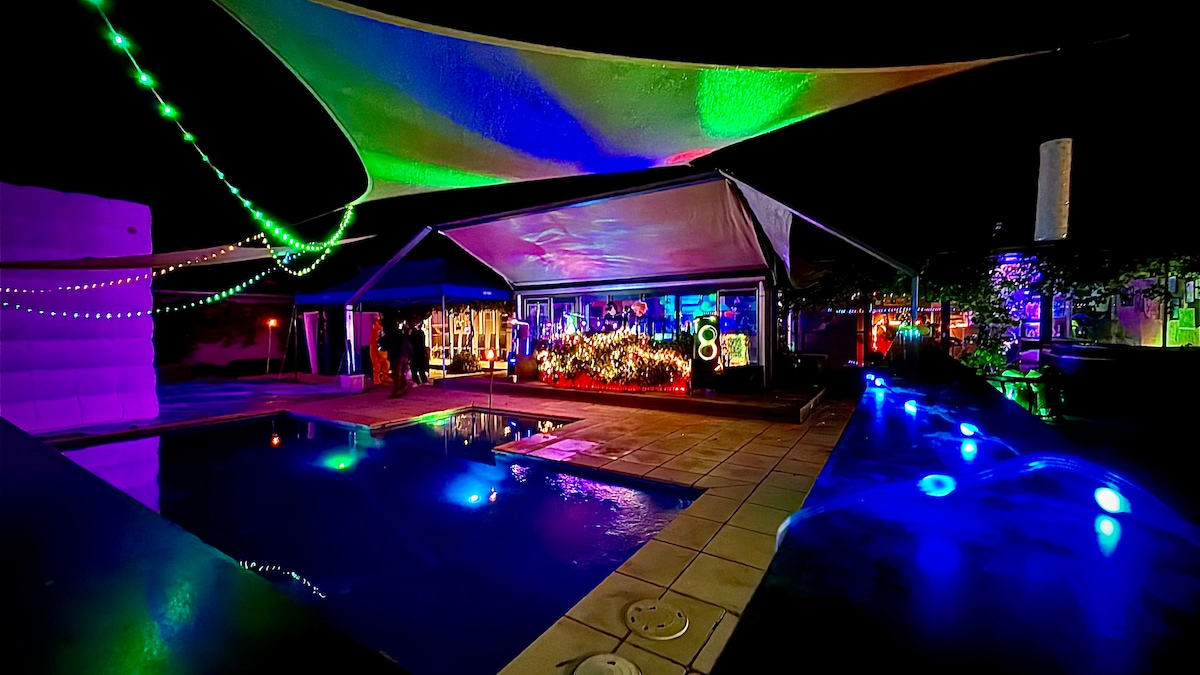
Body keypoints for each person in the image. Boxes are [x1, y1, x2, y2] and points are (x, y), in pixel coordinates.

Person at [379, 321, 413, 398]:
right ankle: (402, 387)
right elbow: (409, 347)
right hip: (404, 356)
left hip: (398, 356)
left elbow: (384, 343)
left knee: (397, 374)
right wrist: (410, 356)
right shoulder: (404, 336)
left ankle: (397, 390)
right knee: (401, 373)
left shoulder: (393, 335)